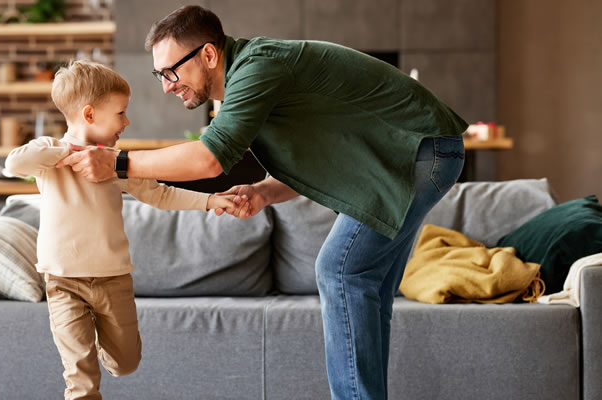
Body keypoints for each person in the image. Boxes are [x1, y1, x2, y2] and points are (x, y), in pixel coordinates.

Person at [55, 6, 467, 400]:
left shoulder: (257, 67)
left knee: (339, 271)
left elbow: (208, 158)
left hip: (418, 153)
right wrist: (265, 191)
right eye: (158, 74)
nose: (165, 85)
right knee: (366, 285)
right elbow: (315, 154)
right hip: (420, 154)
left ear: (209, 54)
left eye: (170, 71)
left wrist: (118, 162)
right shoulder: (247, 78)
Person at [5, 60, 237, 400]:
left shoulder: (118, 162)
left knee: (126, 362)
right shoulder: (49, 158)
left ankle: (99, 340)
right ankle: (84, 351)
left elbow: (161, 194)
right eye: (120, 113)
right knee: (81, 379)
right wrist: (67, 151)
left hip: (113, 279)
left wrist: (211, 200)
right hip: (63, 281)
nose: (126, 122)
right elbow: (13, 164)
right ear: (89, 115)